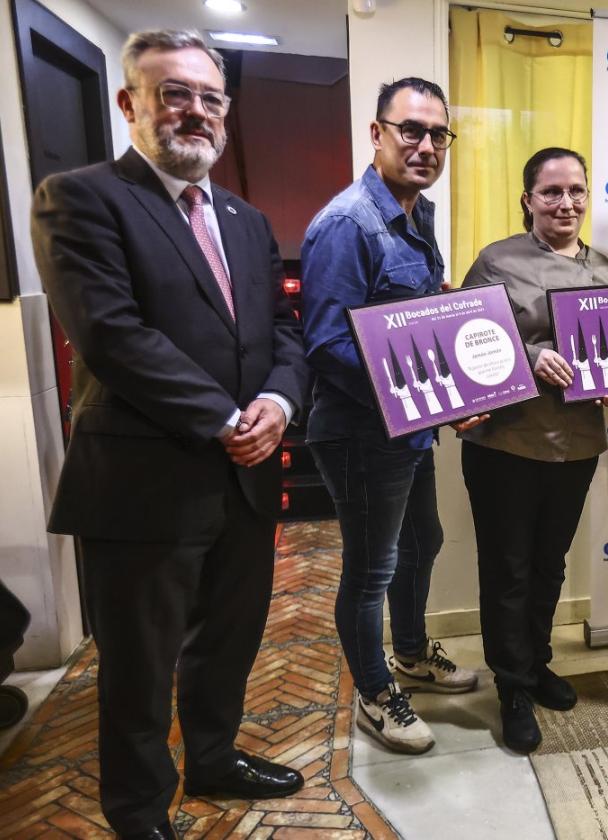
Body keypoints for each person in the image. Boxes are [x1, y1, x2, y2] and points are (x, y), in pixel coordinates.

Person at [31, 30, 308, 839]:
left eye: (210, 97)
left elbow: (282, 330)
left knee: (229, 638)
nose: (194, 111)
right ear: (130, 104)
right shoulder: (78, 197)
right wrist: (226, 418)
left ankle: (215, 758)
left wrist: (280, 406)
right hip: (143, 484)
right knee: (139, 666)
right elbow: (112, 335)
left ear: (226, 113)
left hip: (247, 477)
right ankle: (138, 810)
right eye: (173, 93)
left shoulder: (247, 220)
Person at [301, 77, 477, 756]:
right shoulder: (349, 223)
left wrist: (452, 311)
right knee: (372, 568)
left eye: (439, 134)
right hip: (359, 430)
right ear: (377, 134)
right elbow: (327, 343)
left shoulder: (416, 213)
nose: (427, 145)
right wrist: (430, 391)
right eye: (412, 130)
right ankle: (376, 693)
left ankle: (408, 652)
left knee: (423, 541)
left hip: (406, 425)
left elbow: (405, 314)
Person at [459, 148, 608, 754]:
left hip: (575, 444)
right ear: (528, 198)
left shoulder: (606, 269)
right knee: (509, 569)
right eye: (551, 192)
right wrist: (530, 357)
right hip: (506, 443)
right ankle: (511, 686)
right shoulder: (497, 261)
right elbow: (467, 341)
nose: (566, 203)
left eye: (576, 190)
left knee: (549, 564)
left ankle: (537, 661)